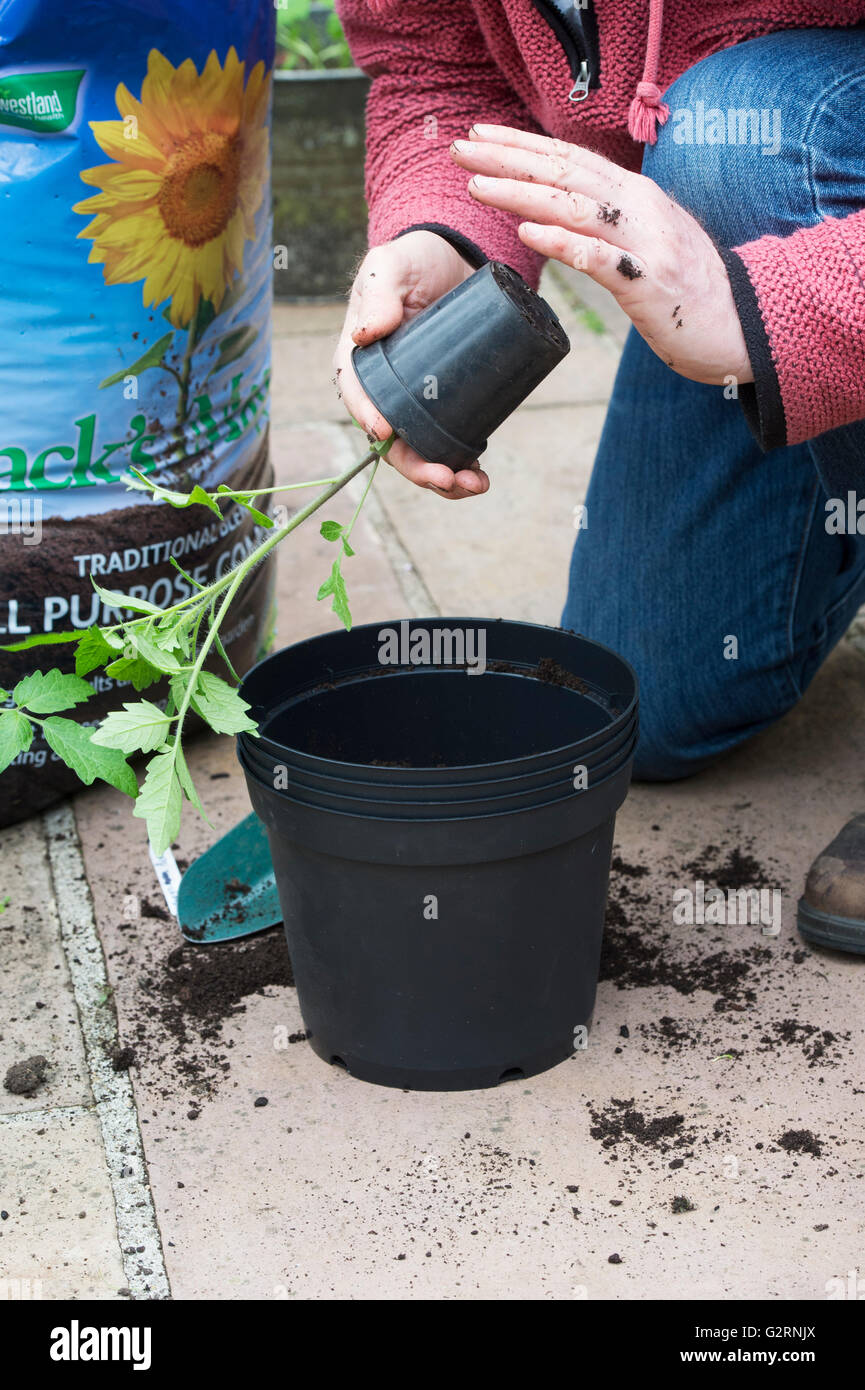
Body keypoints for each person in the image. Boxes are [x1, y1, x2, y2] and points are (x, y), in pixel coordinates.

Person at [333, 0, 865, 954]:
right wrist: (443, 233)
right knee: (650, 702)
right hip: (736, 254)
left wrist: (783, 312)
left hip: (792, 196)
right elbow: (434, 68)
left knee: (735, 140)